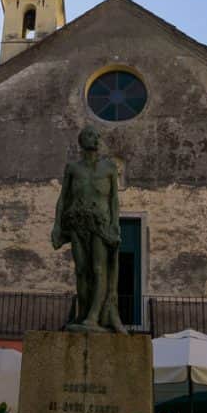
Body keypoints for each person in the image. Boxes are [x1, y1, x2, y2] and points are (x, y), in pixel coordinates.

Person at [51, 126, 124, 332]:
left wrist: (115, 225)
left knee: (99, 269)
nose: (97, 138)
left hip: (100, 223)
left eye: (97, 136)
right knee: (81, 270)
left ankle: (94, 316)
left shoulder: (109, 168)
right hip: (76, 222)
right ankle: (83, 313)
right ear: (82, 140)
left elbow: (114, 200)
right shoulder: (73, 168)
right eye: (92, 135)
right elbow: (63, 198)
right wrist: (57, 226)